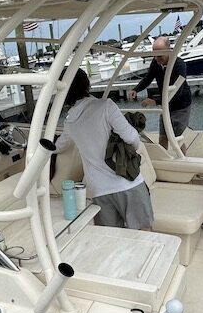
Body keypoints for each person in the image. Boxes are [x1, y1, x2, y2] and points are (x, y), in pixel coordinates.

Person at [55, 67, 154, 229]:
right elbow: (131, 138)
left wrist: (44, 147)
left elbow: (60, 146)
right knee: (145, 235)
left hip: (100, 191)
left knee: (112, 241)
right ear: (86, 84)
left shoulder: (69, 122)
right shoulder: (105, 106)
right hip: (128, 183)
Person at [127, 36, 192, 150]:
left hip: (180, 105)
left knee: (176, 137)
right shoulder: (156, 62)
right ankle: (164, 159)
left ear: (168, 51)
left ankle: (183, 159)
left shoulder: (179, 65)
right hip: (165, 104)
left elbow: (177, 93)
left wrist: (155, 101)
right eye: (155, 55)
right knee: (162, 137)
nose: (157, 59)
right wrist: (135, 90)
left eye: (160, 55)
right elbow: (148, 78)